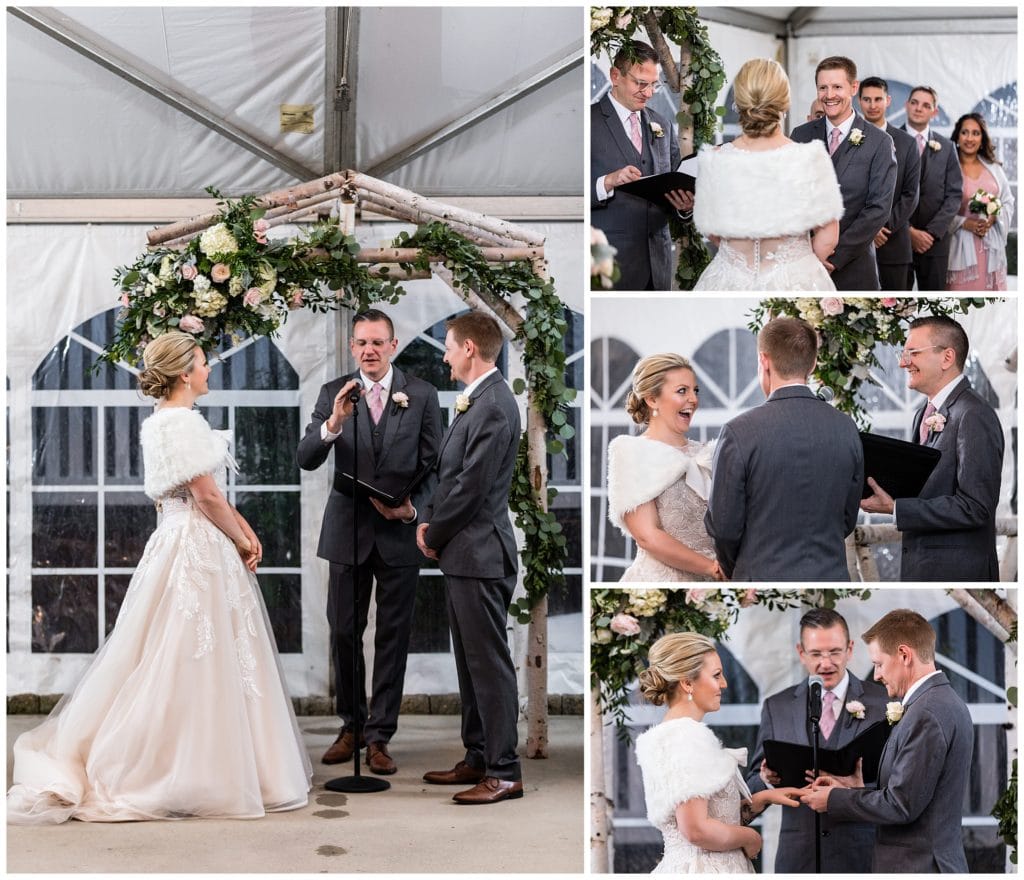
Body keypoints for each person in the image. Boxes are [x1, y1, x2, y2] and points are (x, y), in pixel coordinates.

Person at [8, 332, 312, 824]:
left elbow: (197, 494)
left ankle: (195, 761)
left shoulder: (159, 421)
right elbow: (207, 496)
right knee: (191, 654)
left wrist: (240, 528)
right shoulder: (183, 422)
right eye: (203, 363)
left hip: (175, 534)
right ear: (185, 373)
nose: (209, 370)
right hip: (195, 541)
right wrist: (242, 536)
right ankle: (184, 768)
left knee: (170, 651)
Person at [297, 309, 441, 774]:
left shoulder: (421, 394)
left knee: (393, 637)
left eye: (377, 342)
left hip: (400, 532)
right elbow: (306, 458)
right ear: (352, 347)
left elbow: (434, 465)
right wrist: (334, 421)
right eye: (361, 343)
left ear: (393, 345)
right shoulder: (332, 393)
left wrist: (414, 510)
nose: (369, 350)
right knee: (343, 631)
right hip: (347, 531)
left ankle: (381, 737)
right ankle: (352, 726)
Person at [416, 312, 523, 804]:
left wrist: (433, 531)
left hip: (480, 552)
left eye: (449, 346)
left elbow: (472, 488)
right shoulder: (477, 400)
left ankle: (504, 771)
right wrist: (428, 520)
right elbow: (449, 474)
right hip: (465, 553)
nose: (444, 354)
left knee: (489, 665)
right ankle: (478, 755)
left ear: (470, 350)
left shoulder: (494, 406)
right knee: (470, 664)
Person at [802, 609, 973, 872]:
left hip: (918, 866)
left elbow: (901, 806)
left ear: (904, 655)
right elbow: (914, 793)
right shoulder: (942, 702)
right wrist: (854, 789)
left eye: (879, 664)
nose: (877, 676)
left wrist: (833, 799)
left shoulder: (926, 712)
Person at [705, 317, 863, 581]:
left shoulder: (738, 431)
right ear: (813, 364)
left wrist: (741, 569)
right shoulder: (846, 427)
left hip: (760, 576)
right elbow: (847, 518)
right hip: (830, 576)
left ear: (763, 361)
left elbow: (724, 528)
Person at [634, 632, 804, 873]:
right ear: (687, 683)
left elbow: (712, 816)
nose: (724, 683)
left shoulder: (668, 734)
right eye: (716, 675)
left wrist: (763, 798)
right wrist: (749, 837)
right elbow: (696, 830)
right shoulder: (686, 737)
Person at [746, 608, 889, 873]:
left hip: (862, 854)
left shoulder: (883, 703)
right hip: (798, 858)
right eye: (816, 654)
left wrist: (856, 789)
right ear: (801, 653)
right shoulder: (777, 707)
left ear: (850, 649)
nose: (826, 663)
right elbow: (752, 787)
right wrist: (767, 778)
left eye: (835, 652)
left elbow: (898, 785)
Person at [861, 315, 1003, 580]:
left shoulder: (974, 414)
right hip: (921, 567)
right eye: (903, 354)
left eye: (913, 353)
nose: (903, 363)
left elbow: (976, 507)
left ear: (947, 358)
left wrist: (896, 508)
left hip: (957, 572)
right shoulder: (922, 414)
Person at [693, 58, 843, 291]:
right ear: (785, 101)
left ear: (739, 101)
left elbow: (712, 230)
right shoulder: (810, 158)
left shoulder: (715, 159)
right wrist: (804, 263)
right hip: (795, 279)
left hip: (729, 279)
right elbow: (828, 234)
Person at [606, 354, 724, 582]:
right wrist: (712, 568)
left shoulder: (707, 454)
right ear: (652, 399)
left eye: (695, 391)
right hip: (662, 580)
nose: (693, 399)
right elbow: (647, 536)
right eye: (682, 391)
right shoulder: (632, 452)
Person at [591, 40, 692, 290]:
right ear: (616, 76)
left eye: (653, 86)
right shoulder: (588, 122)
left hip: (658, 262)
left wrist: (684, 206)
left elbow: (675, 178)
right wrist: (607, 181)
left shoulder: (663, 125)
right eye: (640, 83)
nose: (647, 93)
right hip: (610, 263)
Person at [792, 56, 897, 291]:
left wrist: (834, 256)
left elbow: (878, 208)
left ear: (853, 87)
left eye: (837, 87)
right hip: (804, 264)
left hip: (854, 267)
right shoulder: (800, 135)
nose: (829, 95)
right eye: (823, 87)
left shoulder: (880, 142)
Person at [858, 77, 921, 290]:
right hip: (855, 246)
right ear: (859, 101)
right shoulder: (849, 138)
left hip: (893, 242)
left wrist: (882, 227)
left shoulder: (907, 142)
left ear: (888, 100)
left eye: (878, 99)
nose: (873, 105)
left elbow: (911, 194)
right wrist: (867, 229)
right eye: (867, 99)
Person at [901, 86, 963, 290]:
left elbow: (954, 195)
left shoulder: (947, 147)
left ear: (934, 112)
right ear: (906, 105)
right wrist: (908, 231)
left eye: (926, 105)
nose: (919, 108)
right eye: (914, 103)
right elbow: (885, 193)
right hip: (898, 240)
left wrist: (932, 233)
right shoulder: (889, 141)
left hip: (935, 242)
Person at [947, 112, 1015, 291]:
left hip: (991, 247)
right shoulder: (948, 168)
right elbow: (938, 207)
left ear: (982, 139)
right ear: (957, 136)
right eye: (965, 132)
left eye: (976, 133)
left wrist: (993, 217)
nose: (970, 138)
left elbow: (1008, 200)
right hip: (959, 248)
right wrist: (964, 223)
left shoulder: (994, 168)